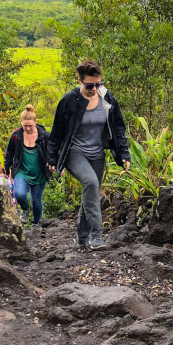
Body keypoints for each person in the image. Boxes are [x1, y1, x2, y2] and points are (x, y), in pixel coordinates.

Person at [47, 60, 131, 250]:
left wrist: (124, 153)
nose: (94, 89)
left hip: (97, 154)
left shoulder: (107, 98)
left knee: (90, 192)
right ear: (80, 81)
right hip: (74, 152)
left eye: (98, 84)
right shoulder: (69, 100)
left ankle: (82, 237)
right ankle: (97, 236)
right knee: (91, 183)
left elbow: (118, 128)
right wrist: (52, 157)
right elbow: (57, 131)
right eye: (90, 85)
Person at [4, 104, 50, 225]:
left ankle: (36, 223)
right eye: (25, 126)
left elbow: (54, 150)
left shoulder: (44, 136)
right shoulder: (16, 136)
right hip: (21, 171)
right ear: (21, 123)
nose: (28, 128)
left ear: (35, 122)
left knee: (36, 200)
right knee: (20, 194)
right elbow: (9, 152)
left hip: (40, 172)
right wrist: (6, 168)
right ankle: (25, 209)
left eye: (30, 126)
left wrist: (55, 164)